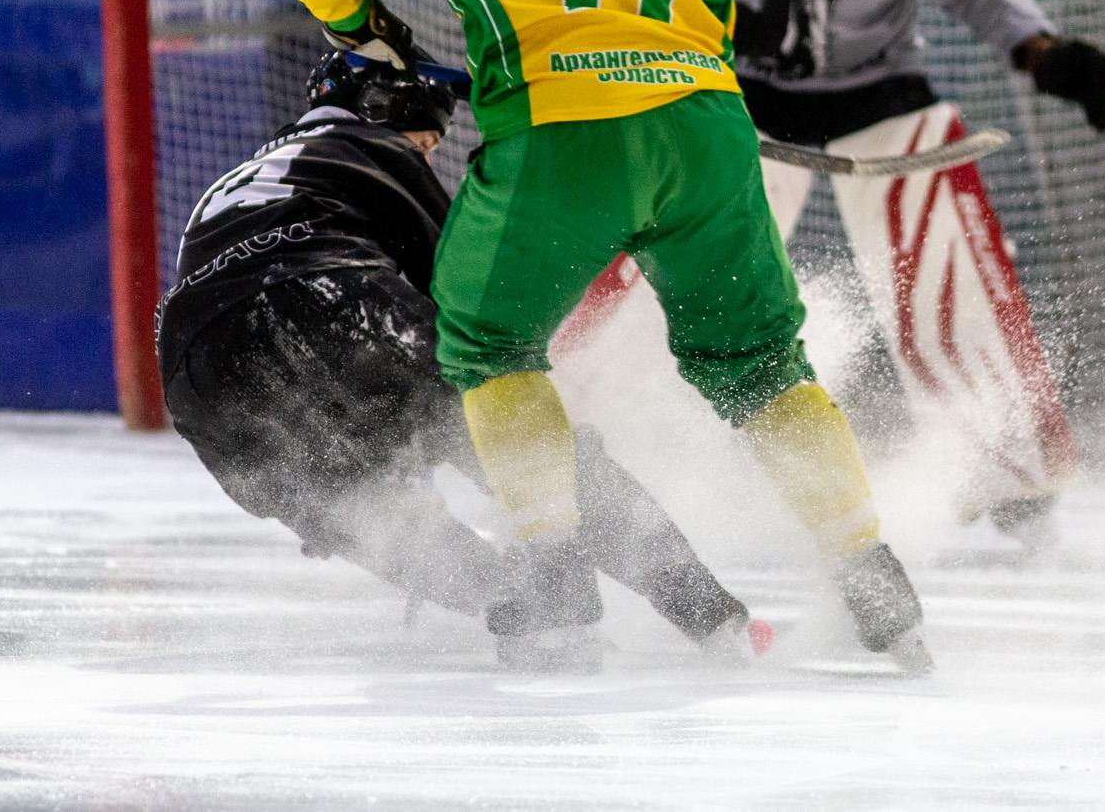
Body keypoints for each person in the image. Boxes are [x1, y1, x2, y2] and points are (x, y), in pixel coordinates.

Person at [266, 0, 928, 673]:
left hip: (563, 131)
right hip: (707, 131)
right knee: (760, 364)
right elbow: (710, 19)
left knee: (488, 343)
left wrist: (368, 32)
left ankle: (555, 575)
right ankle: (874, 574)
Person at [668, 0, 1105, 541]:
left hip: (882, 92)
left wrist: (1040, 49)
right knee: (674, 264)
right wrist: (733, 24)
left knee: (951, 260)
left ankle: (1011, 478)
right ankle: (614, 448)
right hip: (747, 99)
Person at [156, 51, 763, 663]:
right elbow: (464, 301)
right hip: (325, 300)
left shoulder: (236, 182)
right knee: (515, 434)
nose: (424, 155)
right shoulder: (369, 147)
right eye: (423, 142)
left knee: (363, 511)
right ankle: (705, 615)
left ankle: (522, 610)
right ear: (383, 112)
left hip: (197, 379)